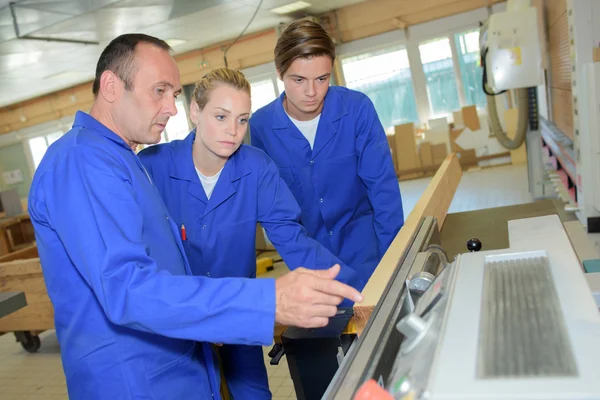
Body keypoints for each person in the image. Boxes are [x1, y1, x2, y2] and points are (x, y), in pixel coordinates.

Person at [27, 33, 362, 400]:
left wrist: (356, 292)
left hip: (182, 357)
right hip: (137, 379)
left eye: (173, 94)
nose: (171, 107)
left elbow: (291, 239)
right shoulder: (83, 162)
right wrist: (267, 301)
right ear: (110, 86)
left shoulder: (121, 160)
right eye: (160, 91)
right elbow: (127, 288)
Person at [137, 67, 361, 399]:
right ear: (195, 112)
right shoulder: (152, 166)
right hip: (179, 316)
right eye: (221, 116)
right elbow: (142, 254)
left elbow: (293, 239)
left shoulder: (256, 168)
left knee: (254, 394)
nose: (233, 131)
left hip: (238, 308)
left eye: (242, 120)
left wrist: (357, 290)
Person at [250, 20, 405, 292]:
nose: (312, 92)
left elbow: (383, 191)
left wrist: (394, 262)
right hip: (311, 265)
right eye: (299, 80)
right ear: (279, 72)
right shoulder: (259, 127)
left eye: (322, 79)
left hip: (368, 251)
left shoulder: (357, 110)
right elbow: (276, 217)